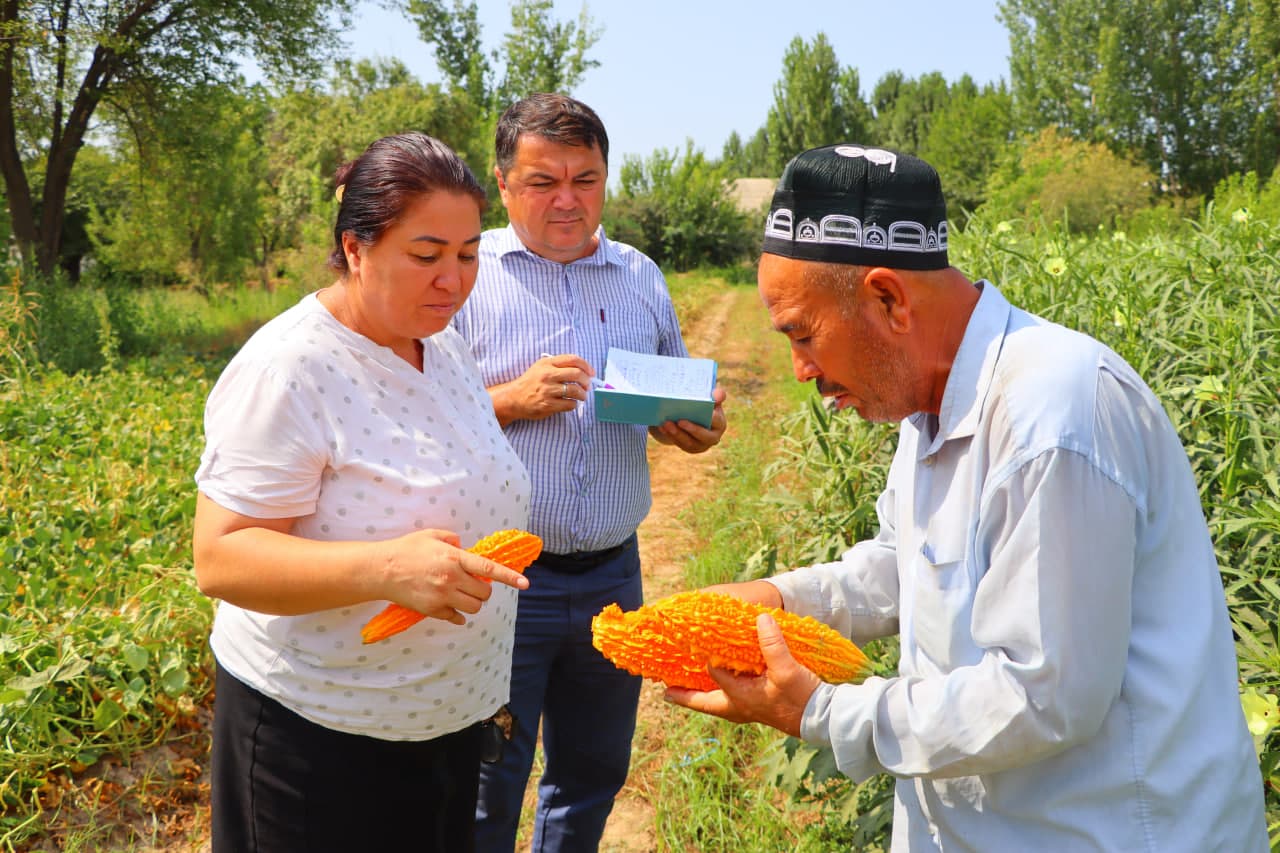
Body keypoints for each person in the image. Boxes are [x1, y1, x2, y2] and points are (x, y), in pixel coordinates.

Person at [666, 143, 1268, 851]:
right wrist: (780, 598)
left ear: (888, 298)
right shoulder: (930, 401)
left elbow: (1044, 696)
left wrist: (824, 713)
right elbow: (905, 563)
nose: (800, 369)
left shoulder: (1052, 415)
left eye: (803, 334)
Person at [192, 132, 533, 853]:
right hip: (316, 742)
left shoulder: (444, 346)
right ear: (356, 247)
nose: (454, 280)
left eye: (468, 254)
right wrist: (385, 571)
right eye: (427, 254)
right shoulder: (290, 367)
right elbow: (221, 558)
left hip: (440, 724)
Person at [450, 92, 728, 852]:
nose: (567, 200)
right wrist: (510, 399)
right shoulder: (464, 278)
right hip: (505, 581)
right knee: (486, 781)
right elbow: (416, 419)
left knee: (592, 774)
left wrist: (697, 426)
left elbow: (691, 405)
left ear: (606, 179)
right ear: (503, 185)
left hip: (613, 573)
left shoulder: (640, 276)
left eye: (586, 178)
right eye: (543, 181)